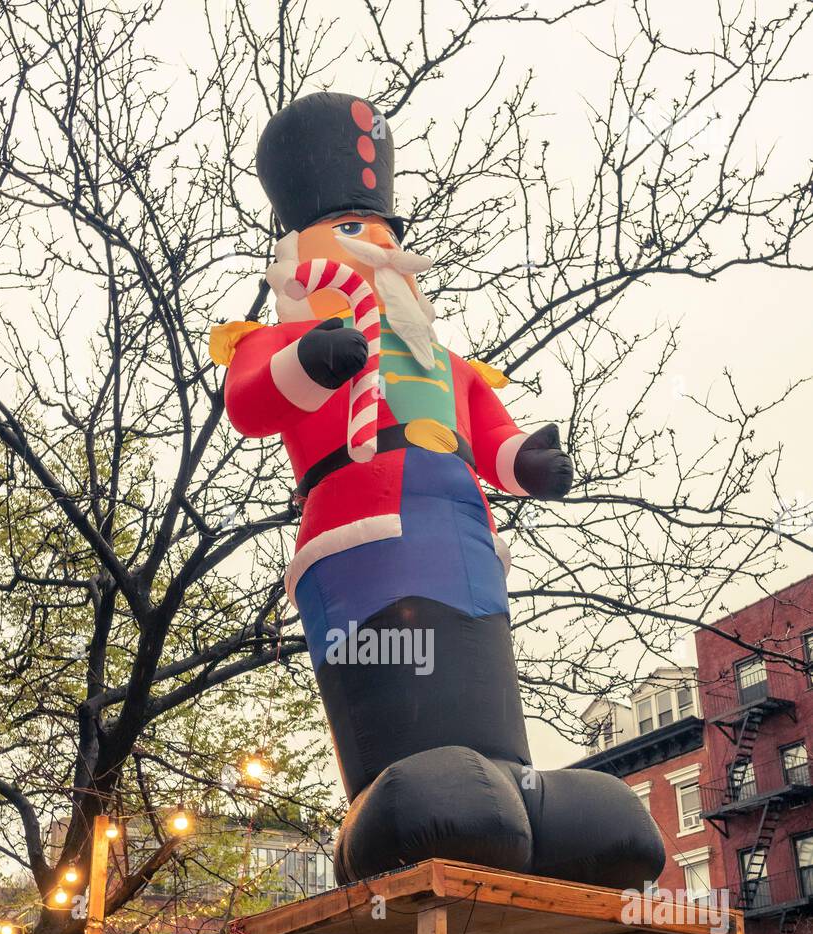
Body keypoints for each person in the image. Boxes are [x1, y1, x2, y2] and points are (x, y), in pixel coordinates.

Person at [219, 92, 665, 889]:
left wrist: (530, 462)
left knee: (476, 658)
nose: (384, 252)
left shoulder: (445, 364)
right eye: (358, 234)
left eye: (388, 235)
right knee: (395, 660)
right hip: (356, 535)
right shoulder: (287, 338)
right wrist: (312, 360)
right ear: (302, 253)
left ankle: (518, 792)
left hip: (461, 537)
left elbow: (492, 437)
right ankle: (388, 803)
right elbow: (251, 405)